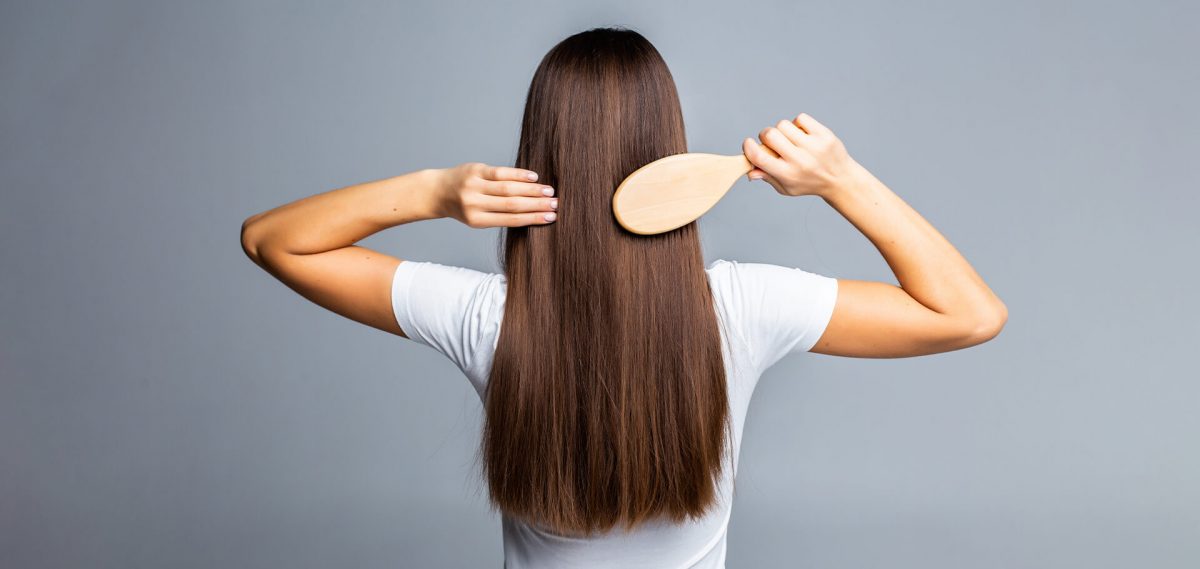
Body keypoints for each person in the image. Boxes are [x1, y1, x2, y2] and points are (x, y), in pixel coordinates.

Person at [240, 26, 1006, 569]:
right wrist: (842, 178)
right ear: (665, 146)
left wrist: (434, 190)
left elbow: (272, 240)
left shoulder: (490, 318)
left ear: (538, 156)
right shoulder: (739, 308)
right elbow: (969, 314)